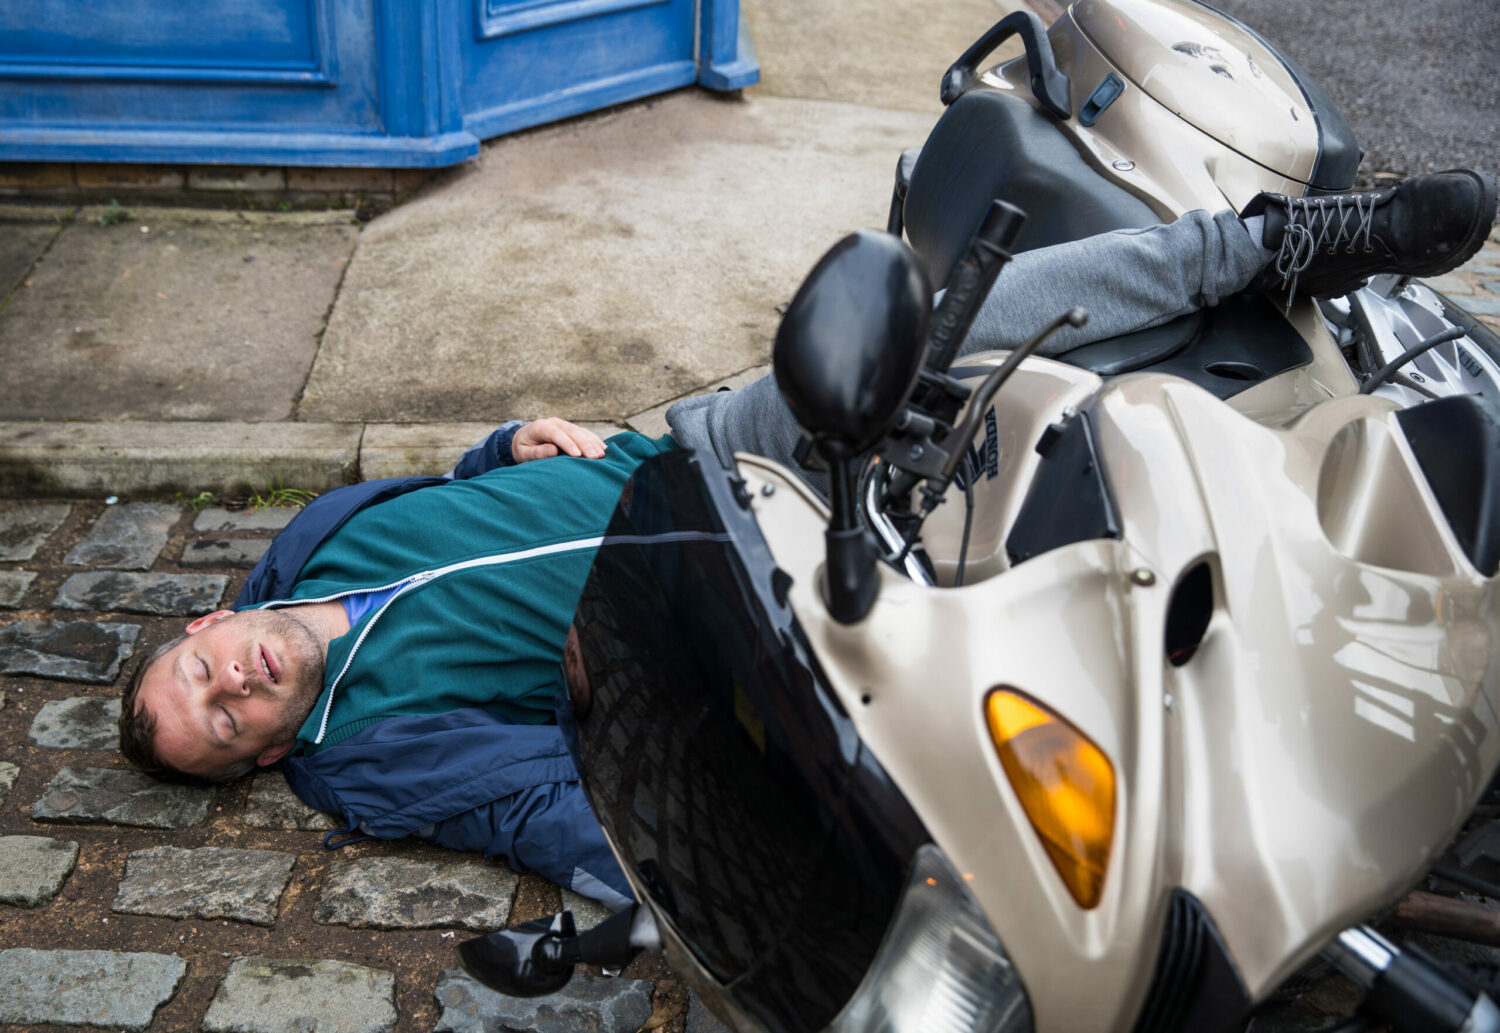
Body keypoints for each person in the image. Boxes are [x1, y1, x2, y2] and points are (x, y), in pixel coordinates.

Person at [116, 169, 1497, 908]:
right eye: (229, 734)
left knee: (954, 315)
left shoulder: (305, 539)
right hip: (726, 578)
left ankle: (1274, 244)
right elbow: (543, 807)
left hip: (689, 452)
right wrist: (688, 876)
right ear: (271, 756)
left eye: (202, 680)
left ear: (203, 626)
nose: (233, 694)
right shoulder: (365, 755)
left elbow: (451, 489)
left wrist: (508, 440)